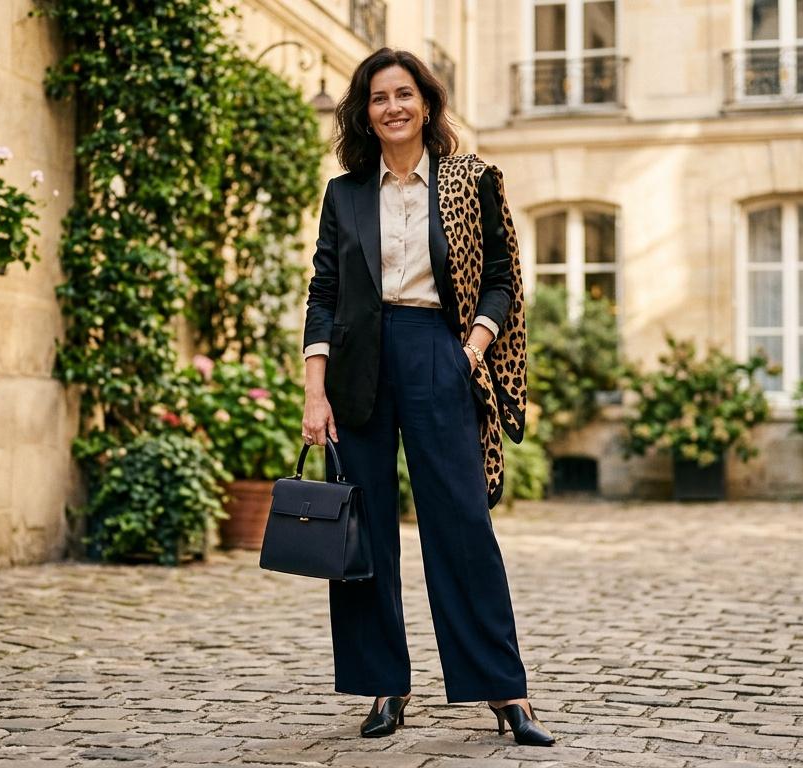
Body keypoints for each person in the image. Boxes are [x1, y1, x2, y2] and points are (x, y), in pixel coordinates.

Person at [299, 47, 554, 747]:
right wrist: (314, 393)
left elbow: (503, 276)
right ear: (365, 111)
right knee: (365, 529)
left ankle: (506, 690)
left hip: (439, 352)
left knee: (462, 523)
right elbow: (323, 293)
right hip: (357, 363)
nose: (392, 107)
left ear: (427, 103)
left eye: (403, 94)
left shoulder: (467, 182)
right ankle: (386, 684)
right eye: (379, 97)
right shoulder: (345, 193)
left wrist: (470, 348)